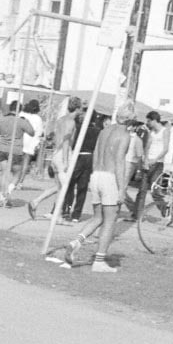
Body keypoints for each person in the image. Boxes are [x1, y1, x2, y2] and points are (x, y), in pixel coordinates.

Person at [45, 105, 140, 272]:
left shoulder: (104, 131)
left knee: (97, 217)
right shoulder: (124, 135)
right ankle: (99, 260)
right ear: (131, 121)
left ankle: (76, 242)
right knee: (110, 220)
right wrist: (122, 188)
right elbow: (119, 161)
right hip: (110, 176)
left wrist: (94, 175)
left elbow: (96, 153)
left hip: (96, 175)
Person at [26, 97, 80, 221]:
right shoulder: (71, 122)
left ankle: (39, 203)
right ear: (77, 109)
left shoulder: (61, 120)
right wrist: (66, 160)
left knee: (59, 186)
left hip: (56, 153)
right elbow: (67, 140)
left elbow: (56, 137)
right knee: (64, 186)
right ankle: (56, 214)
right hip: (63, 153)